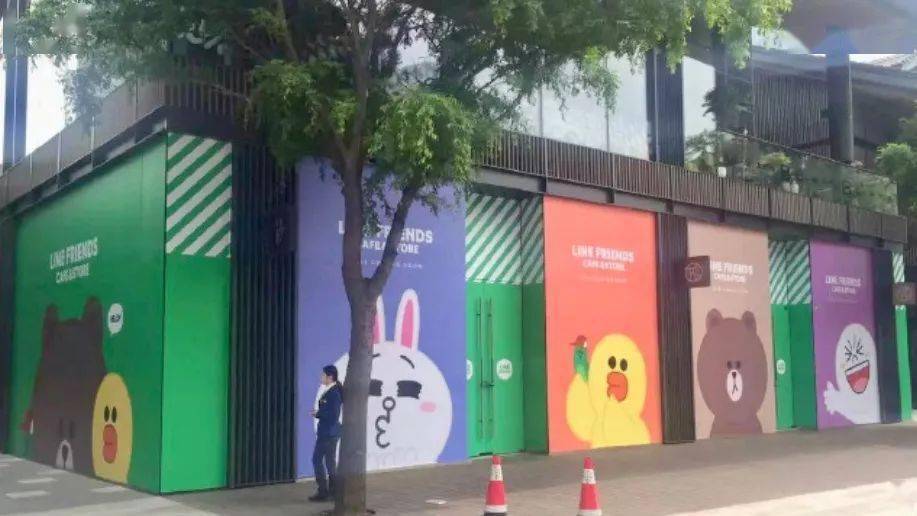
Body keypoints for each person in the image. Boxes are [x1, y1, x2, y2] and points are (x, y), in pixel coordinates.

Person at [310, 365, 343, 502]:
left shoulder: (334, 393)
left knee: (317, 460)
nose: (321, 377)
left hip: (328, 433)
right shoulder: (331, 390)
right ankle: (332, 492)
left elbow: (333, 415)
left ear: (330, 377)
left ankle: (323, 491)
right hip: (329, 432)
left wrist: (318, 413)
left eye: (323, 375)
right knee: (329, 462)